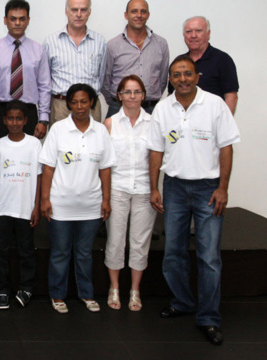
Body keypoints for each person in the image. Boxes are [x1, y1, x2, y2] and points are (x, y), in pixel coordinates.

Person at [148, 55, 240, 345]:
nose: (183, 79)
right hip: (174, 188)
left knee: (209, 257)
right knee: (173, 251)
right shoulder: (163, 109)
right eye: (177, 75)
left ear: (197, 76)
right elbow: (155, 151)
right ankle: (184, 302)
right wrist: (154, 187)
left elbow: (226, 148)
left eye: (188, 73)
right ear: (171, 79)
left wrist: (223, 188)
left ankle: (209, 317)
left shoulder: (215, 106)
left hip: (208, 189)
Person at [39, 83, 116, 314]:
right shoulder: (58, 129)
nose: (80, 106)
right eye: (74, 102)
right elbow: (48, 168)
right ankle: (57, 295)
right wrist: (45, 199)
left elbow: (105, 169)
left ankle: (86, 294)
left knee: (84, 253)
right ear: (68, 103)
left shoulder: (101, 131)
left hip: (91, 206)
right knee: (60, 252)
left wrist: (106, 199)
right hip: (60, 204)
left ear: (92, 102)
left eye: (84, 101)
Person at [103, 75, 156, 311]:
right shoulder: (109, 124)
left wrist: (157, 189)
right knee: (115, 240)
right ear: (119, 96)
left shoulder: (154, 123)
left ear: (144, 95)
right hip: (117, 189)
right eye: (127, 92)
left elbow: (157, 159)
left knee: (139, 241)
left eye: (136, 92)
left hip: (145, 190)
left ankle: (135, 290)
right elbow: (103, 164)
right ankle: (114, 287)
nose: (132, 96)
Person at [0, 100, 42, 310]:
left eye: (19, 118)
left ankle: (26, 287)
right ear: (4, 120)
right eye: (11, 118)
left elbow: (38, 177)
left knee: (26, 251)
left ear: (26, 120)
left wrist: (36, 207)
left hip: (25, 209)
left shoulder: (35, 144)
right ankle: (1, 290)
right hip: (1, 208)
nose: (15, 122)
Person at [0, 0, 51, 139]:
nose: (17, 23)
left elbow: (44, 87)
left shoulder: (38, 50)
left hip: (28, 112)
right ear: (5, 20)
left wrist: (43, 119)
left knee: (28, 157)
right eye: (13, 19)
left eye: (22, 19)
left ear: (28, 20)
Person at [43, 0, 107, 124]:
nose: (78, 14)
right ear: (66, 12)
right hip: (61, 106)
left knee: (92, 144)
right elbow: (45, 79)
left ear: (89, 12)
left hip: (91, 107)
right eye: (74, 10)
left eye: (83, 10)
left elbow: (102, 76)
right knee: (61, 144)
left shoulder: (100, 41)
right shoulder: (51, 42)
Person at [102, 0, 169, 118]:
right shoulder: (113, 45)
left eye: (143, 11)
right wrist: (117, 100)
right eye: (134, 11)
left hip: (150, 108)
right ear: (126, 15)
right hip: (119, 107)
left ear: (148, 15)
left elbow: (162, 79)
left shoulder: (161, 44)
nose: (139, 15)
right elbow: (105, 80)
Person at [169, 16, 238, 114]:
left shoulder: (223, 60)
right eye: (189, 31)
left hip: (211, 121)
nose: (193, 35)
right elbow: (171, 94)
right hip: (183, 122)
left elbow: (231, 96)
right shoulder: (178, 62)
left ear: (208, 34)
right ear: (184, 35)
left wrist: (224, 123)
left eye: (198, 31)